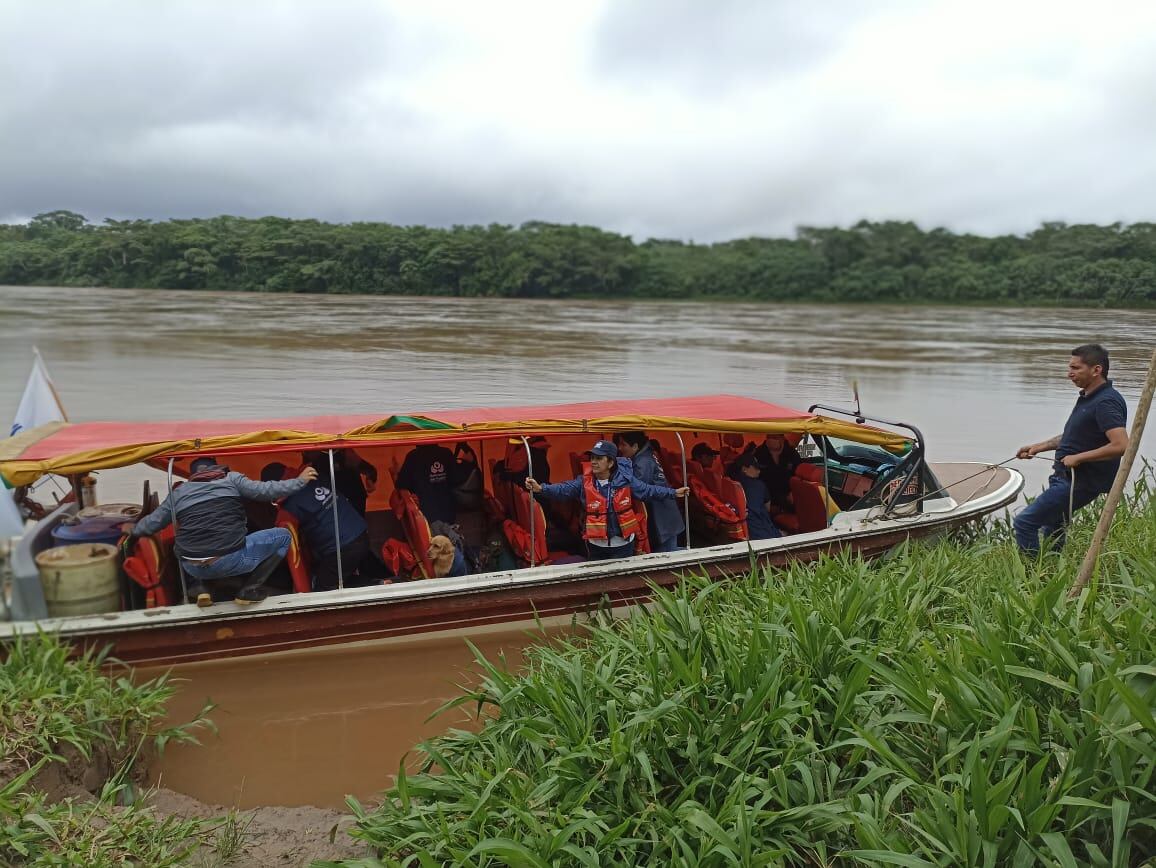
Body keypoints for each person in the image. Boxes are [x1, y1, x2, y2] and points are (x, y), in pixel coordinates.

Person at [127, 456, 316, 606]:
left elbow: (153, 522)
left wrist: (132, 529)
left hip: (192, 566)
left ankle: (199, 589)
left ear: (192, 475)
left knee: (184, 541)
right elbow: (268, 491)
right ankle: (249, 589)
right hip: (230, 561)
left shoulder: (179, 492)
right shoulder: (232, 480)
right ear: (218, 469)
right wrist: (300, 481)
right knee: (283, 537)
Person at [1014, 344, 1129, 555]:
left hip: (1080, 481)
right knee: (1052, 526)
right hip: (1066, 477)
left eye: (1076, 368)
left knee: (1024, 523)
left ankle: (1030, 575)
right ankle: (1051, 569)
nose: (1070, 374)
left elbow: (1121, 445)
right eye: (1070, 368)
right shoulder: (1088, 397)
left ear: (1096, 370)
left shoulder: (1106, 402)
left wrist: (1078, 458)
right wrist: (1038, 447)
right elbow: (1075, 438)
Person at [525, 439, 689, 560]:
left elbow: (648, 491)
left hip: (623, 545)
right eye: (592, 458)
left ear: (610, 462)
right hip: (596, 546)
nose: (594, 462)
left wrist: (673, 493)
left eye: (599, 458)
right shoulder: (584, 482)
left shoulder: (626, 480)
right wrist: (541, 488)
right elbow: (563, 489)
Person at [261, 461, 376, 591]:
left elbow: (281, 534)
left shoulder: (289, 509)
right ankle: (377, 583)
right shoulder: (313, 475)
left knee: (324, 589)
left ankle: (377, 587)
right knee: (337, 576)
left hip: (342, 548)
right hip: (360, 532)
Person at [615, 431, 684, 552]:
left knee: (667, 556)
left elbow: (640, 491)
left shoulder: (643, 462)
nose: (620, 448)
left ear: (635, 446)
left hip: (662, 518)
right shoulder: (644, 455)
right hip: (664, 515)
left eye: (623, 444)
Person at [396, 442, 477, 524]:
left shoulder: (412, 456)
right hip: (447, 514)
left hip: (423, 516)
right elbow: (457, 478)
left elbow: (401, 484)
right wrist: (467, 464)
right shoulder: (446, 454)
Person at [302, 449, 377, 517]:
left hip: (352, 497)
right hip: (330, 499)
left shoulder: (345, 453)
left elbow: (368, 469)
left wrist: (371, 478)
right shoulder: (312, 456)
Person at [731, 453, 782, 540]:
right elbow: (767, 509)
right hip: (763, 535)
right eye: (756, 468)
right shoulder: (758, 485)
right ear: (744, 469)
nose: (759, 471)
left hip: (745, 532)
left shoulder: (732, 483)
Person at [753, 432, 803, 511]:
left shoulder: (791, 453)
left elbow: (799, 473)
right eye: (769, 437)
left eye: (775, 437)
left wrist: (794, 492)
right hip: (766, 496)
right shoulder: (759, 453)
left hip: (788, 494)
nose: (771, 439)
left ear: (782, 438)